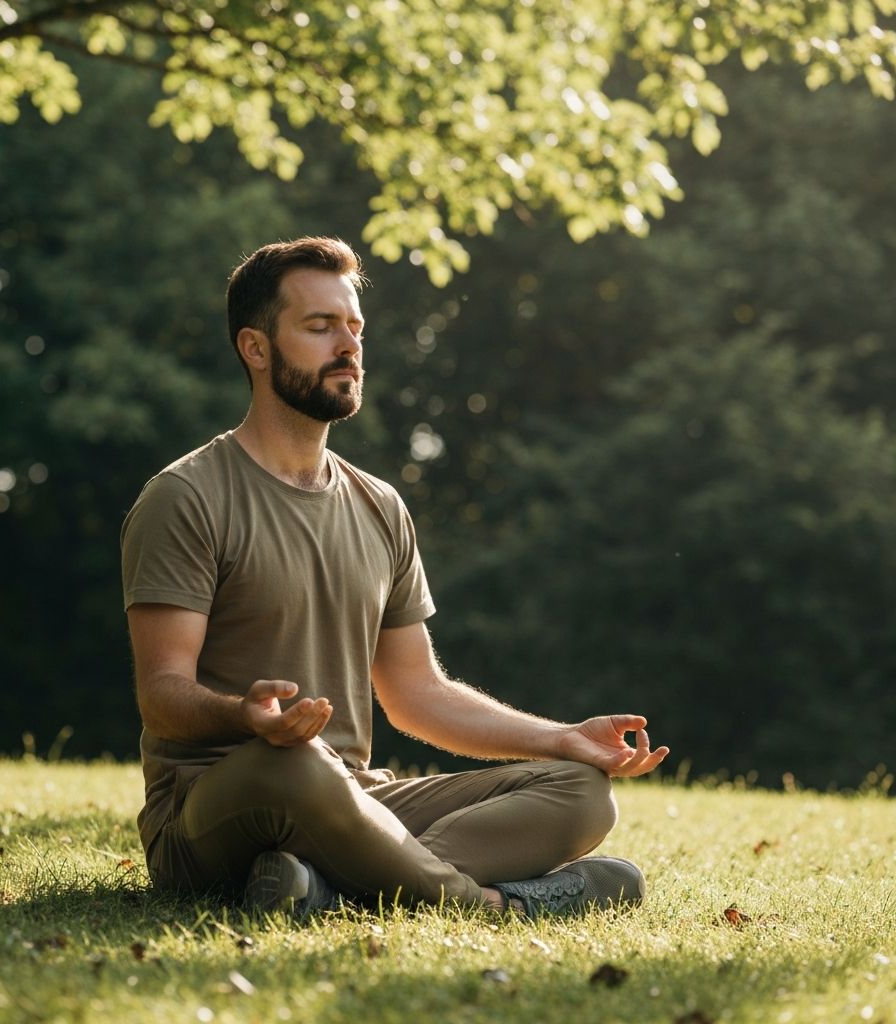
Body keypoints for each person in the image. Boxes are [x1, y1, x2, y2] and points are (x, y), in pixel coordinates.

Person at [120, 236, 669, 919]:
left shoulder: (379, 505)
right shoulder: (186, 496)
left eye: (354, 327)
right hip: (216, 805)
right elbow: (162, 693)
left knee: (581, 791)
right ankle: (494, 906)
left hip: (357, 795)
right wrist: (244, 716)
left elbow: (417, 692)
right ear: (255, 349)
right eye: (319, 328)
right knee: (297, 766)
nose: (347, 346)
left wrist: (563, 738)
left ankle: (320, 886)